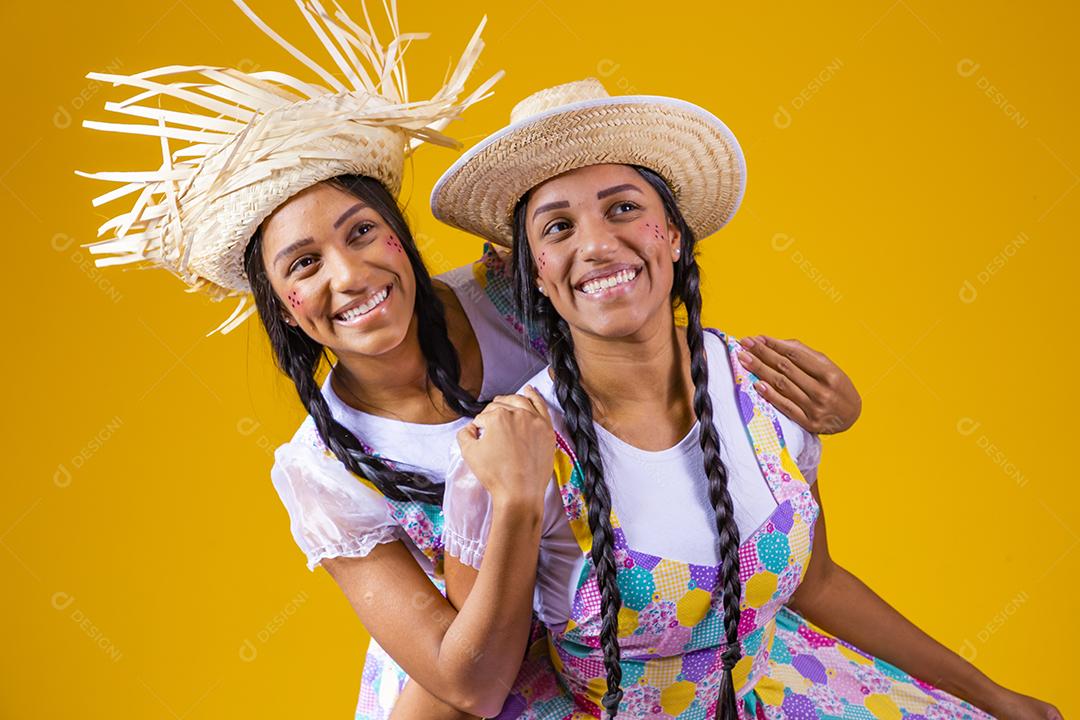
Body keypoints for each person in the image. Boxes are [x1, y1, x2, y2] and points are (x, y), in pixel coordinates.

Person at [78, 3, 864, 716]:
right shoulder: (319, 470)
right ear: (282, 305)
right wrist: (517, 506)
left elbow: (639, 324)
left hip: (644, 621)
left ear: (400, 236)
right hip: (480, 680)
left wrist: (811, 414)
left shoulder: (505, 295)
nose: (348, 277)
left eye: (360, 233)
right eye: (304, 264)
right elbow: (464, 684)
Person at [432, 79, 1063, 719]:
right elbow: (476, 689)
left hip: (771, 693)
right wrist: (514, 503)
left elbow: (818, 584)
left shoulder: (765, 388)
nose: (595, 244)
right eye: (559, 226)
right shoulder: (513, 451)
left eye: (623, 208)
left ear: (673, 236)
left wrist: (994, 696)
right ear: (537, 272)